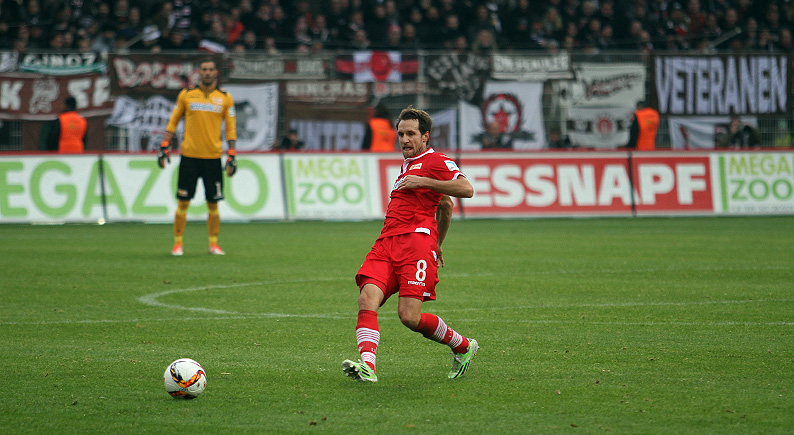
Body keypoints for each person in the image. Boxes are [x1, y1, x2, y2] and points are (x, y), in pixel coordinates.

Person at [342, 106, 478, 383]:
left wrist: (423, 183)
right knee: (367, 298)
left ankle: (463, 346)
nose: (404, 139)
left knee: (409, 317)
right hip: (386, 242)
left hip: (415, 244)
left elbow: (466, 190)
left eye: (411, 134)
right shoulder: (408, 165)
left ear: (425, 136)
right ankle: (368, 366)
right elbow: (446, 206)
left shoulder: (436, 161)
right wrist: (439, 242)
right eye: (401, 134)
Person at [158, 58, 237, 256]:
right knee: (183, 202)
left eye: (211, 69)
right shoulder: (186, 95)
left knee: (213, 203)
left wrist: (232, 154)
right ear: (199, 72)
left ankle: (213, 244)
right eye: (204, 69)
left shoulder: (225, 98)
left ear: (216, 73)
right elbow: (173, 121)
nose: (207, 72)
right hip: (190, 157)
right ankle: (177, 244)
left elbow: (231, 128)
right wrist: (164, 145)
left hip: (213, 158)